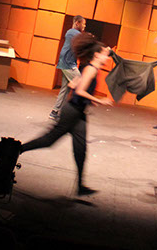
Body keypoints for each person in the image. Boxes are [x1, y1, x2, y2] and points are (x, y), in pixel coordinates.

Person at [18, 32, 113, 196]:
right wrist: (98, 100)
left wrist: (86, 96)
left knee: (80, 148)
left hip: (79, 114)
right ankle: (17, 149)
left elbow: (73, 85)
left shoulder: (90, 68)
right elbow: (80, 91)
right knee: (49, 140)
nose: (107, 58)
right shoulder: (91, 69)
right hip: (72, 112)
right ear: (97, 55)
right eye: (104, 54)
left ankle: (80, 186)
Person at [50, 15, 86, 121]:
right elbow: (84, 41)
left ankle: (55, 111)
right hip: (68, 64)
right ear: (77, 23)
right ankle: (76, 112)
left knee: (65, 89)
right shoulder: (72, 32)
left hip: (67, 64)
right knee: (82, 84)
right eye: (83, 24)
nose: (84, 26)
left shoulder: (75, 34)